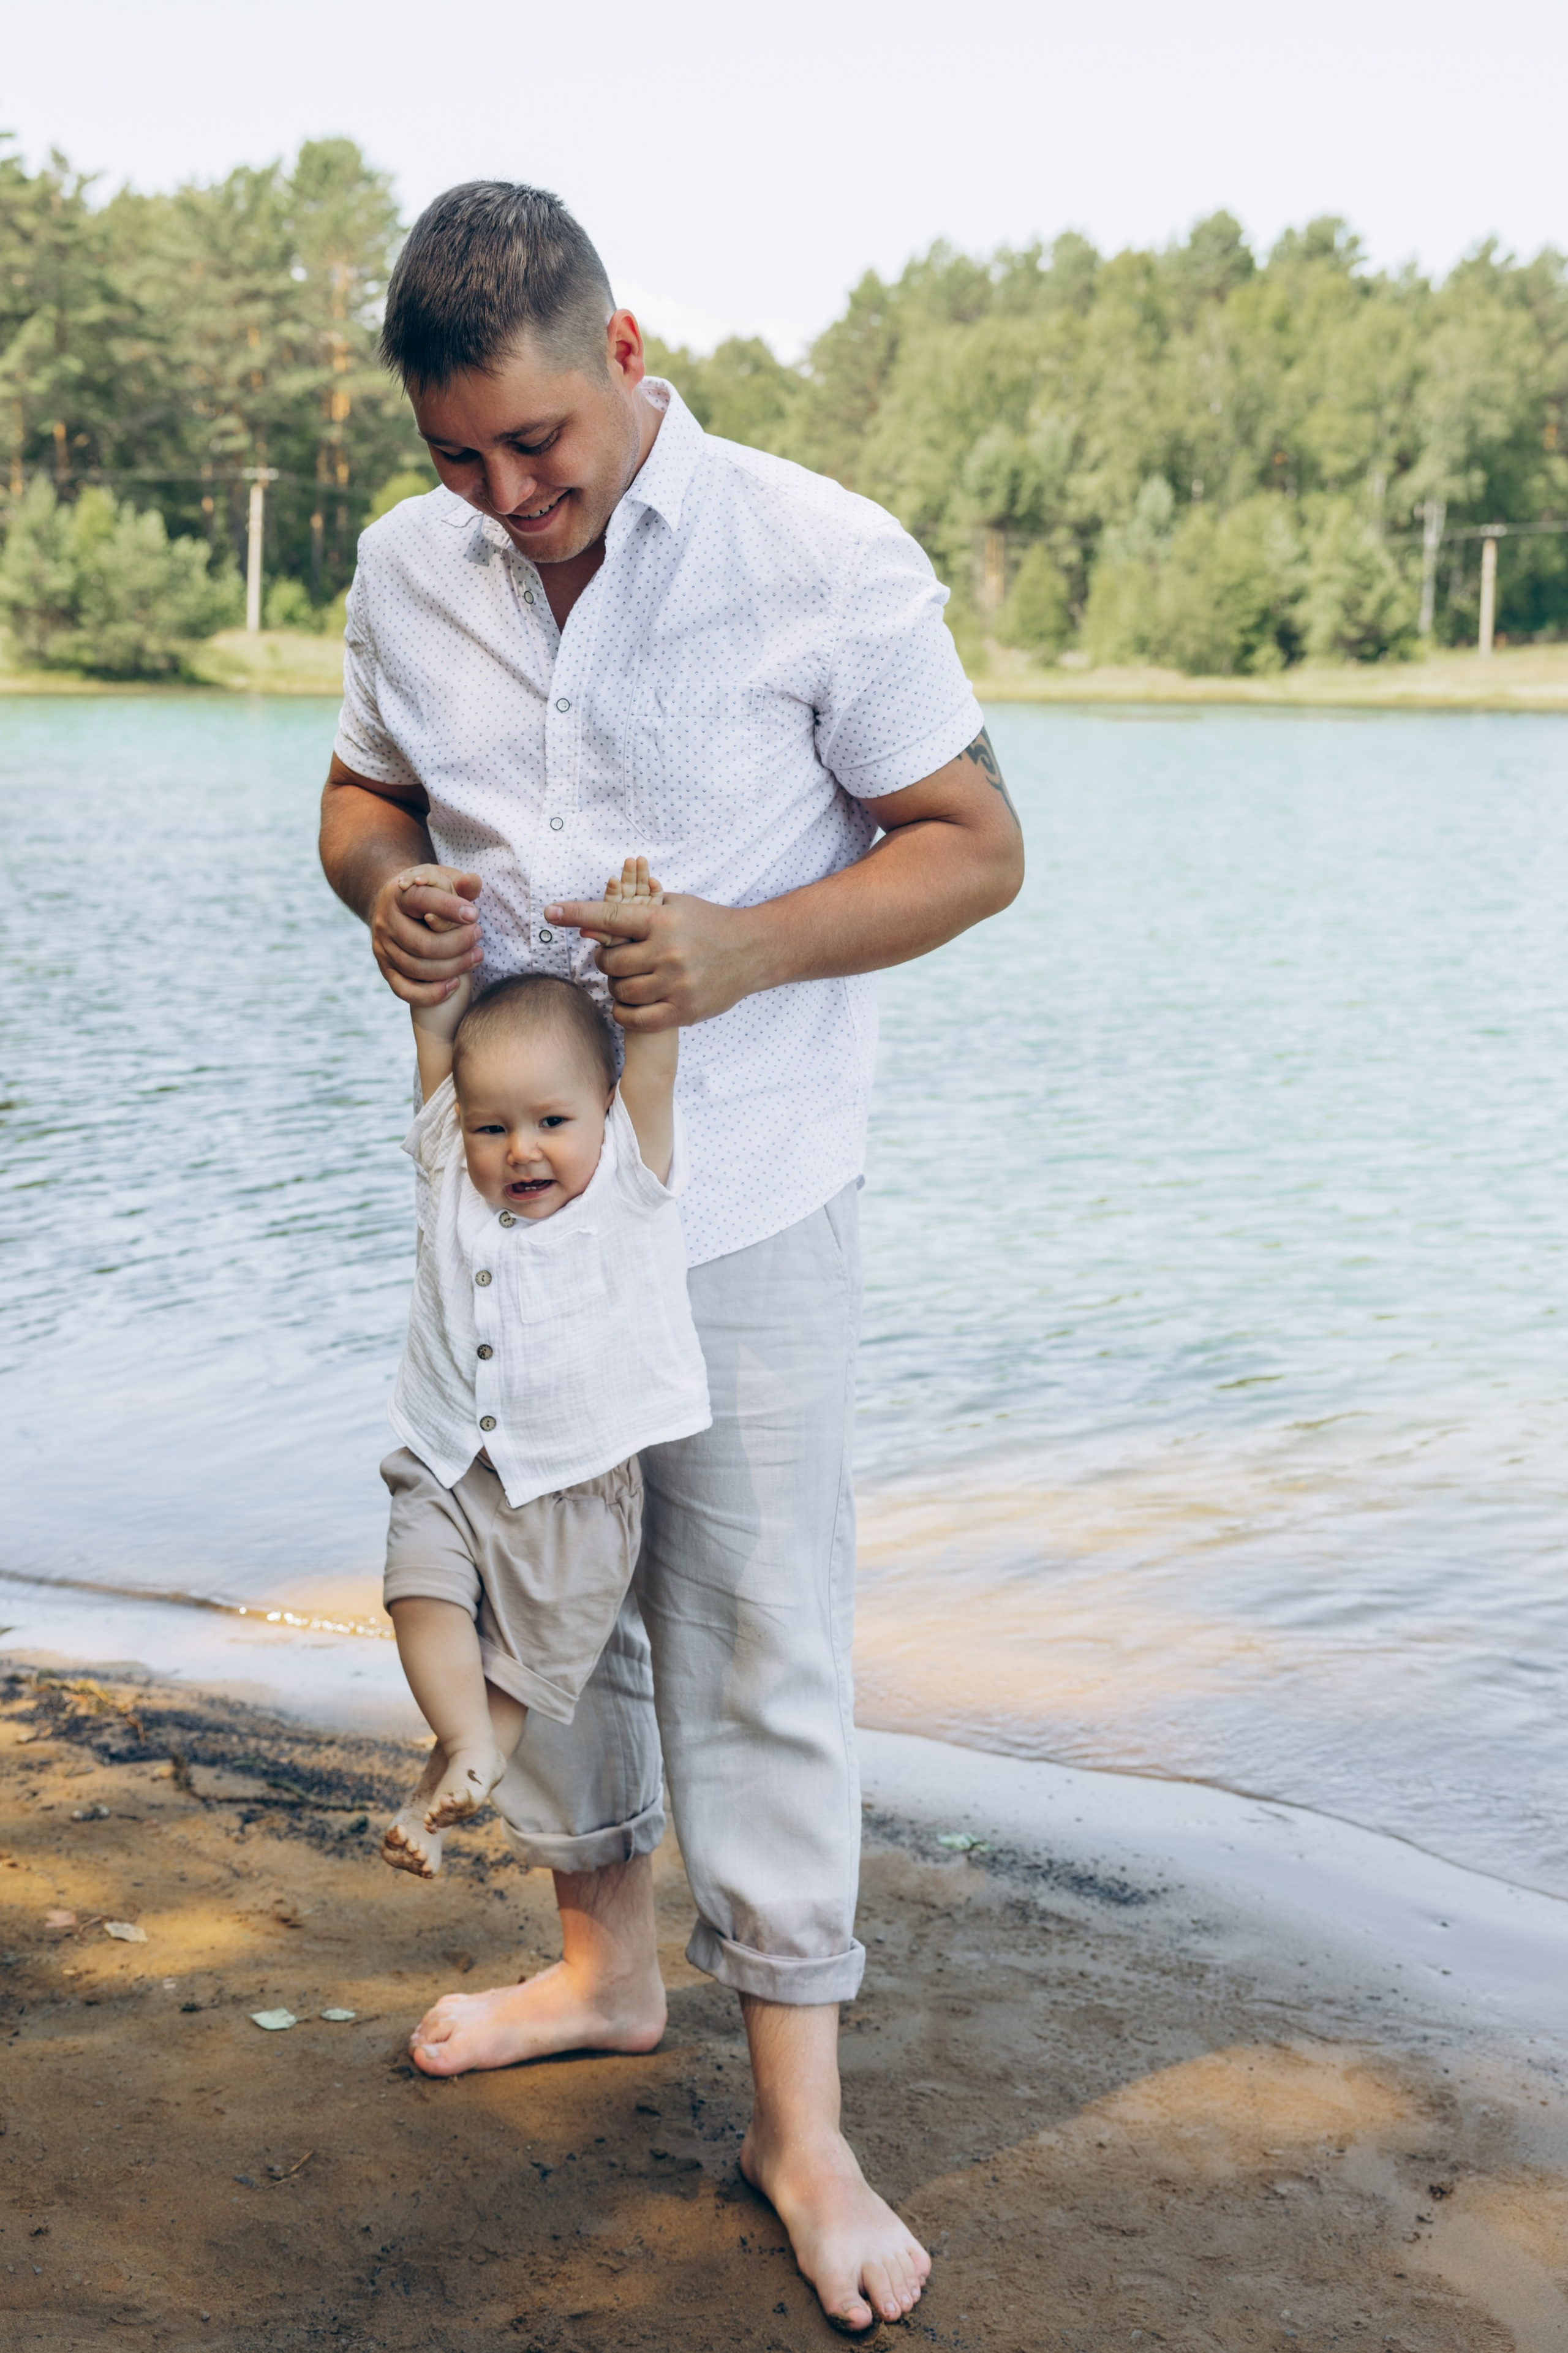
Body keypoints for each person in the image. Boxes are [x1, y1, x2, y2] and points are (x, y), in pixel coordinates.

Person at [318, 179, 1023, 2337]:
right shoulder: (404, 570)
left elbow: (978, 847)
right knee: (557, 1605)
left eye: (535, 445)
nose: (505, 498)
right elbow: (358, 802)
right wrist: (387, 895)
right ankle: (605, 1967)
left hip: (749, 1200)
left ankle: (800, 2126)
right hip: (505, 1210)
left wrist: (739, 949)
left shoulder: (822, 556)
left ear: (626, 356)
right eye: (459, 461)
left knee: (754, 1639)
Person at [379, 858, 709, 1879]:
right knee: (417, 1595)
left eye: (551, 1123)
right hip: (447, 1459)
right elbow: (437, 1037)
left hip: (571, 1495)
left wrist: (636, 940)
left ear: (602, 1113)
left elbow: (650, 1053)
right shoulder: (452, 1169)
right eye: (492, 1126)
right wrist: (430, 952)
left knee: (514, 1674)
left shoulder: (626, 1182)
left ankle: (444, 1794)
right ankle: (465, 1748)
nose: (520, 1149)